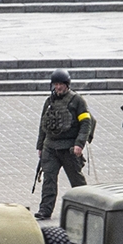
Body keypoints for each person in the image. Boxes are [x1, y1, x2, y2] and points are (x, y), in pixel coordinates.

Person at [34, 69, 91, 220]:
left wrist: (79, 144)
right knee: (49, 180)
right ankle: (45, 209)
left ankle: (87, 207)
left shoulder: (77, 101)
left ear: (67, 85)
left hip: (69, 148)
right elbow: (43, 124)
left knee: (77, 181)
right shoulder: (49, 101)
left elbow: (86, 123)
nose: (57, 87)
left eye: (60, 84)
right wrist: (40, 146)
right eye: (55, 84)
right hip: (50, 147)